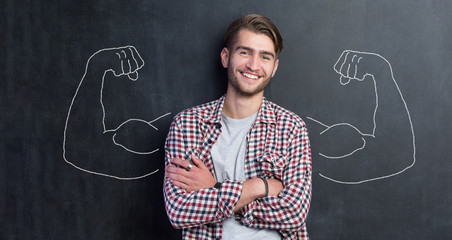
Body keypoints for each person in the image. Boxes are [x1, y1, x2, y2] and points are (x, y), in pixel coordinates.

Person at [163, 14, 312, 240]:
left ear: (274, 67)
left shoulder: (291, 127)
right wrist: (256, 187)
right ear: (226, 57)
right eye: (245, 52)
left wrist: (214, 186)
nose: (253, 65)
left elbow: (294, 213)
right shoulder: (187, 124)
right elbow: (180, 210)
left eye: (265, 57)